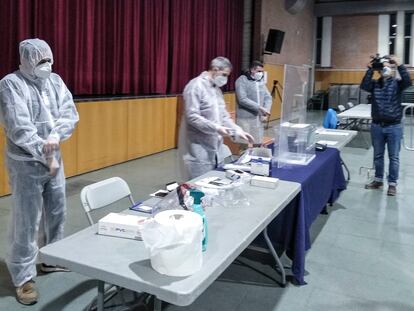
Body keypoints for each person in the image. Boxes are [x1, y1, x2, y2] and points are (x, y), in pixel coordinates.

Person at [0, 38, 79, 305]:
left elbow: (69, 112)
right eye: (40, 60)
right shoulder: (11, 85)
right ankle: (22, 277)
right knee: (27, 219)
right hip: (26, 163)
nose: (47, 65)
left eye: (48, 59)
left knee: (57, 211)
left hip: (53, 157)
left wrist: (56, 136)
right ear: (26, 60)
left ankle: (51, 259)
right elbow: (19, 127)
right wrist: (43, 150)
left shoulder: (54, 81)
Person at [178, 56, 254, 179]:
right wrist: (217, 128)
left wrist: (237, 130)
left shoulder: (216, 90)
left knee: (215, 185)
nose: (226, 79)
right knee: (200, 187)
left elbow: (224, 116)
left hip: (217, 149)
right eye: (224, 74)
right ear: (215, 69)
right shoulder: (195, 86)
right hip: (198, 149)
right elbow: (192, 117)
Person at [360, 55, 411, 196]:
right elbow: (364, 85)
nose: (386, 68)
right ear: (380, 70)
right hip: (377, 126)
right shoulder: (375, 84)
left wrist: (399, 64)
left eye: (389, 66)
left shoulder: (397, 84)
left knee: (394, 157)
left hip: (394, 127)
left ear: (392, 68)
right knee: (378, 155)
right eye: (383, 66)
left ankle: (392, 184)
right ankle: (378, 181)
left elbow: (408, 81)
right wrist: (370, 69)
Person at [235, 60, 272, 145]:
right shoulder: (242, 80)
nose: (261, 74)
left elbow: (268, 97)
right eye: (259, 71)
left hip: (258, 118)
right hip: (245, 119)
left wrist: (265, 111)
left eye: (262, 72)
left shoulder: (260, 82)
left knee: (258, 143)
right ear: (252, 70)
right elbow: (242, 99)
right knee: (244, 144)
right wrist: (260, 107)